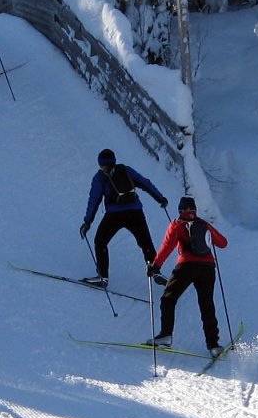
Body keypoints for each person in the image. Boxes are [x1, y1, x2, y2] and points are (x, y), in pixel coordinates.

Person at [147, 196, 229, 354]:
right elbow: (223, 243)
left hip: (187, 266)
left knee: (168, 298)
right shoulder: (204, 224)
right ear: (195, 210)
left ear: (180, 211)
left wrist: (155, 266)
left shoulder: (177, 225)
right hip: (208, 268)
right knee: (207, 305)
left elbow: (167, 247)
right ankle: (214, 345)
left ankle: (165, 335)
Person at [80, 148, 170, 288]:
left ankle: (103, 277)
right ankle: (156, 272)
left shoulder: (100, 178)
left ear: (100, 164)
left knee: (100, 242)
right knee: (145, 242)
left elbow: (94, 200)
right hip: (135, 212)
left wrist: (87, 222)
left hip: (114, 215)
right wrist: (160, 198)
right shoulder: (126, 170)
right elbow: (145, 183)